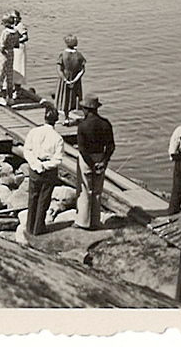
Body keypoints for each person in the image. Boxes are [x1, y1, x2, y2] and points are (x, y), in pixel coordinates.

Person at [75, 94, 115, 230]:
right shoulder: (106, 124)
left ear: (86, 109)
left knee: (85, 190)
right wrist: (103, 161)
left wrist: (91, 164)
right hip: (100, 157)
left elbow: (82, 149)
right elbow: (111, 146)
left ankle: (83, 222)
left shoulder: (83, 126)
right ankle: (95, 221)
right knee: (97, 191)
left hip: (87, 159)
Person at [23, 106, 64, 236]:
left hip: (35, 168)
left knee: (33, 198)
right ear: (56, 121)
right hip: (48, 171)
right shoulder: (58, 138)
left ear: (44, 118)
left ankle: (30, 227)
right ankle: (39, 227)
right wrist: (45, 166)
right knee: (44, 200)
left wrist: (35, 164)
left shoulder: (34, 132)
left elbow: (27, 150)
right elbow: (58, 160)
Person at [55, 35, 86, 118]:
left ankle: (66, 117)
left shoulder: (62, 54)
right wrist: (75, 80)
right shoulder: (79, 55)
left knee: (65, 97)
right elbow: (82, 70)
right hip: (76, 79)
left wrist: (65, 80)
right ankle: (81, 115)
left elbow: (59, 69)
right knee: (75, 97)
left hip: (65, 78)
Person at [0, 14, 18, 104]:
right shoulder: (15, 32)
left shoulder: (5, 32)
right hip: (11, 53)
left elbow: (2, 47)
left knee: (0, 74)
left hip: (3, 55)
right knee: (9, 76)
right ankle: (10, 97)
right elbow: (17, 45)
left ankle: (2, 96)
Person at [10, 9, 29, 95]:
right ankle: (15, 87)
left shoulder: (20, 26)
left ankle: (18, 89)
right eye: (12, 17)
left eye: (15, 17)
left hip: (19, 48)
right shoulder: (13, 25)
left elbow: (25, 37)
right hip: (14, 48)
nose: (14, 19)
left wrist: (16, 41)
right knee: (14, 66)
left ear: (19, 18)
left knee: (18, 66)